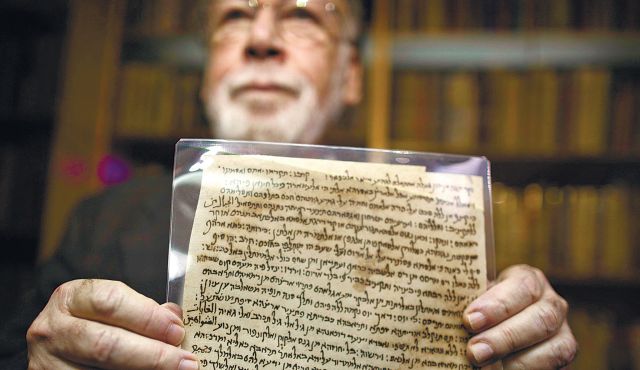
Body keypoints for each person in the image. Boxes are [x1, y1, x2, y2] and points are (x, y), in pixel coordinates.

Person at [1, 0, 577, 369]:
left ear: (350, 76)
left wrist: (521, 339)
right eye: (234, 18)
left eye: (302, 15)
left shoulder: (438, 231)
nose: (262, 39)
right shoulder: (103, 219)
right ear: (207, 72)